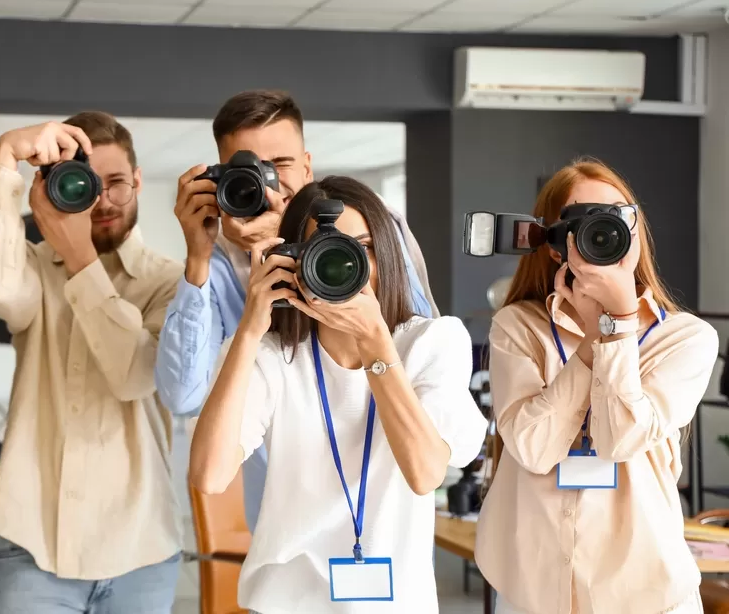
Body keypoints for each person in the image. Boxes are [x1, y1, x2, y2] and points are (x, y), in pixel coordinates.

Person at [189, 176, 486, 613]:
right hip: (285, 601)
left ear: (386, 254)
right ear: (293, 261)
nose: (347, 265)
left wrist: (376, 344)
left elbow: (424, 472)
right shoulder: (270, 355)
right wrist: (250, 329)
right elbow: (209, 476)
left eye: (363, 247)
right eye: (324, 251)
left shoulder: (432, 343)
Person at [156, 89, 439, 531]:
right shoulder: (213, 264)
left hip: (385, 495)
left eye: (280, 165)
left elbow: (418, 342)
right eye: (248, 169)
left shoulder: (369, 227)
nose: (269, 181)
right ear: (223, 178)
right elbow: (182, 396)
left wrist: (307, 251)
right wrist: (198, 256)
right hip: (283, 513)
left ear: (307, 165)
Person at [475, 160, 718, 614]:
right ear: (552, 244)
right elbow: (530, 447)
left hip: (646, 590)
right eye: (583, 220)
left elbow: (620, 438)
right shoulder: (519, 327)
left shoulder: (684, 338)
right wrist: (595, 338)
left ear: (635, 230)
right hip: (532, 589)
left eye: (614, 217)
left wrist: (621, 327)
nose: (601, 231)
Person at [0, 112, 184, 614]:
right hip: (31, 537)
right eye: (88, 184)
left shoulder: (173, 283)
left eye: (118, 184)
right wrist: (4, 157)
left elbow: (134, 375)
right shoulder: (36, 268)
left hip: (141, 545)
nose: (104, 201)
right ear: (60, 187)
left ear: (139, 182)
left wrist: (80, 255)